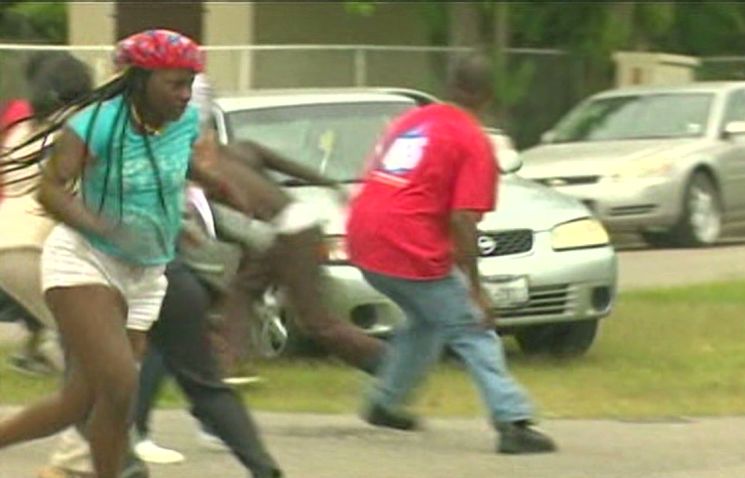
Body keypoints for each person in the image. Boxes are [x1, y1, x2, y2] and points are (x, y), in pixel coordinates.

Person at [0, 29, 244, 478]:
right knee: (119, 381)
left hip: (146, 273)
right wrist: (99, 225)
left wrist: (212, 184)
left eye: (190, 84)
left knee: (83, 398)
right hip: (84, 260)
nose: (185, 94)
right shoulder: (95, 124)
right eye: (174, 83)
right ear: (139, 79)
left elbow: (172, 159)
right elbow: (51, 188)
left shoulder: (183, 122)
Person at [345, 53, 557, 454]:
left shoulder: (413, 121)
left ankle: (385, 402)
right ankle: (512, 422)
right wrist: (477, 290)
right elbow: (463, 220)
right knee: (471, 326)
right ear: (488, 96)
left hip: (362, 234)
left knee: (427, 322)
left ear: (450, 87)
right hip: (408, 242)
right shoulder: (472, 140)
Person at [193, 136, 388, 375]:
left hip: (288, 235)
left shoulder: (211, 173)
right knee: (241, 291)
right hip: (296, 225)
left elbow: (234, 217)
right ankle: (228, 365)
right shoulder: (243, 150)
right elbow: (289, 166)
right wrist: (331, 184)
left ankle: (386, 360)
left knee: (314, 321)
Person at [0, 51, 93, 376]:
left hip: (8, 242)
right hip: (34, 246)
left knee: (78, 337)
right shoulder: (70, 133)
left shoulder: (23, 130)